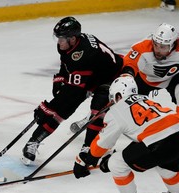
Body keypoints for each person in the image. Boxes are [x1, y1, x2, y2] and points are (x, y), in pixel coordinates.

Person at [21, 16, 124, 165]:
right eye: (58, 38)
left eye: (62, 38)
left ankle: (89, 148)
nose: (59, 42)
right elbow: (67, 64)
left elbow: (72, 91)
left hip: (111, 78)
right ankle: (34, 141)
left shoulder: (85, 53)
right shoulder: (68, 45)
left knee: (98, 111)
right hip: (90, 76)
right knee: (63, 110)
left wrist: (49, 107)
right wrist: (60, 78)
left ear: (73, 39)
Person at [73, 76, 179, 193]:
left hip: (158, 143)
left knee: (117, 163)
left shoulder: (117, 109)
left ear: (118, 95)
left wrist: (87, 160)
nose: (111, 103)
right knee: (165, 162)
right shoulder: (146, 99)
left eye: (112, 99)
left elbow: (102, 143)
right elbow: (146, 133)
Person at [70, 22, 179, 132]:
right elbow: (129, 63)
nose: (157, 50)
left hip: (173, 78)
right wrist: (127, 77)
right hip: (144, 78)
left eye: (163, 47)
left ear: (173, 44)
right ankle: (92, 117)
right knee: (118, 96)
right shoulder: (143, 47)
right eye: (155, 44)